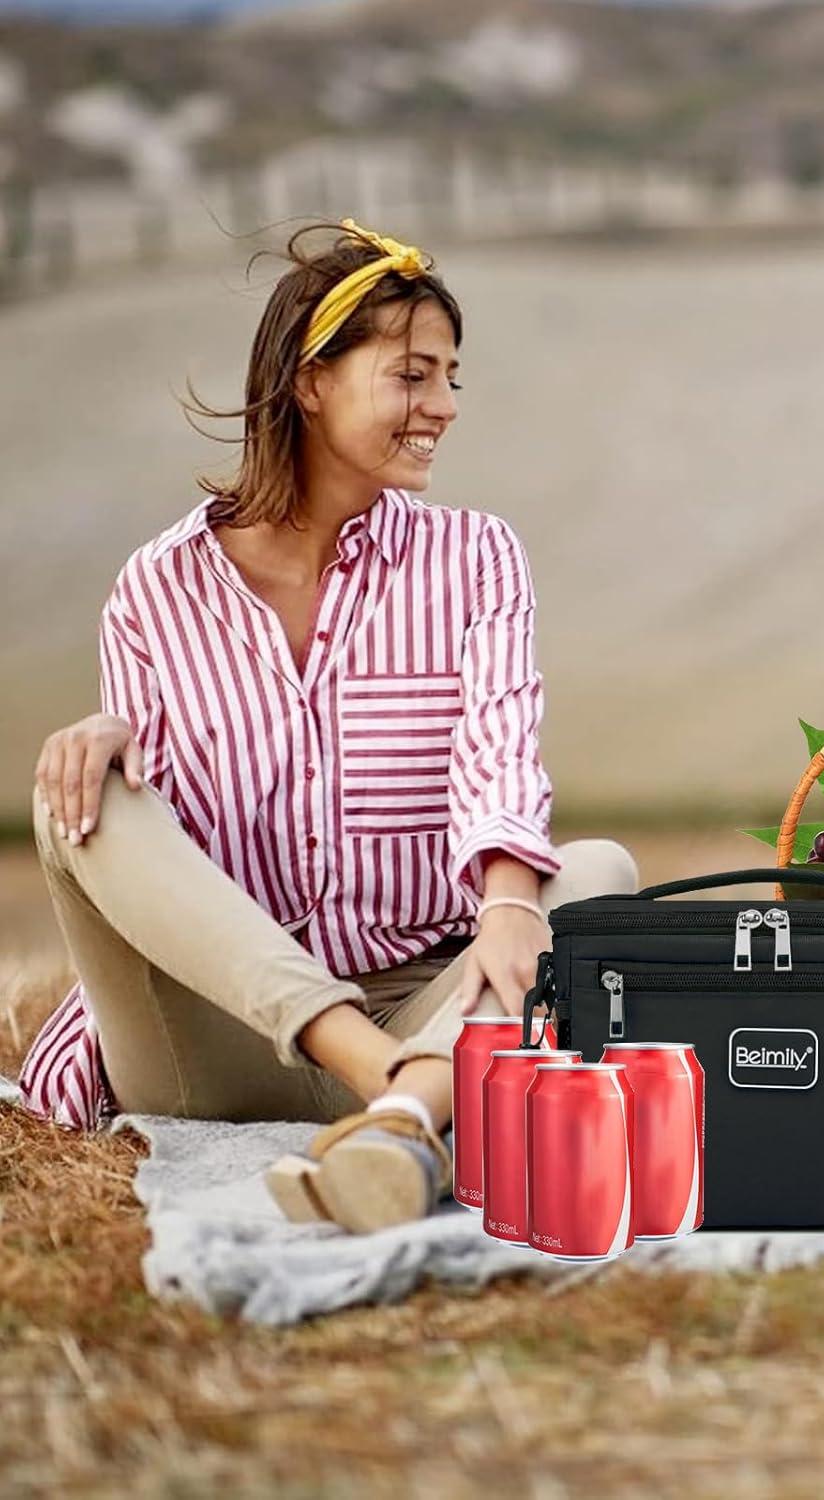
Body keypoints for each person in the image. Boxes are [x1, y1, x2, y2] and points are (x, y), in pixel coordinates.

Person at [22, 219, 637, 1232]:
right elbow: (162, 873)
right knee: (78, 794)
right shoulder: (156, 589)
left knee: (601, 874)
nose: (441, 406)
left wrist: (512, 905)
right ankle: (402, 1093)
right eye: (412, 375)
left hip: (432, 1006)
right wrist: (109, 742)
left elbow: (499, 746)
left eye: (450, 379)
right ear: (311, 381)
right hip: (214, 1038)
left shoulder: (477, 557)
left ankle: (402, 1125)